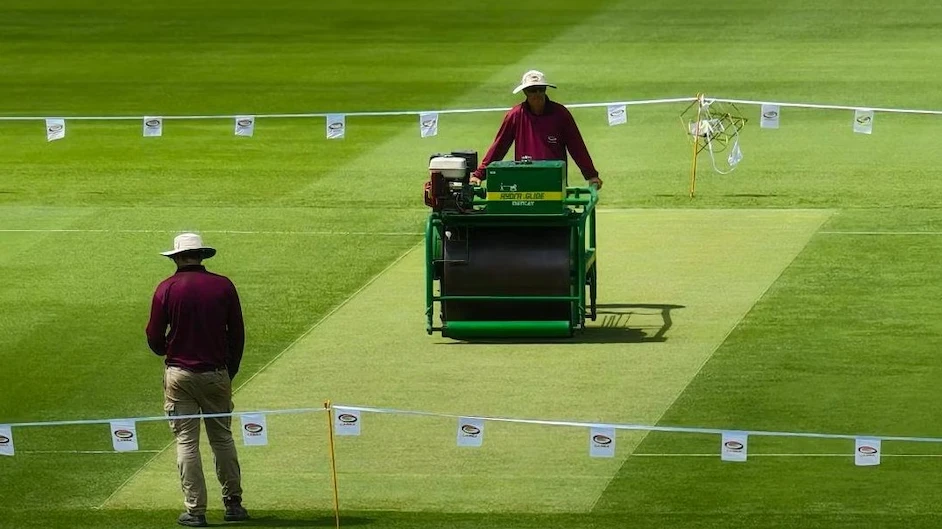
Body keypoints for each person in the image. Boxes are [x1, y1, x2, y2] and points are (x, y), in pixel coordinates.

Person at [145, 232, 249, 527]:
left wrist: (169, 350)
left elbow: (153, 336)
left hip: (180, 374)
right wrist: (231, 369)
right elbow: (237, 333)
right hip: (216, 373)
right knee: (222, 438)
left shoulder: (167, 288)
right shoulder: (223, 286)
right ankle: (234, 504)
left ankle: (196, 510)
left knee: (186, 442)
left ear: (177, 257)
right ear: (201, 256)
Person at [470, 69, 603, 189]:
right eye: (532, 90)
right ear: (525, 92)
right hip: (524, 182)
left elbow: (577, 146)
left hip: (555, 183)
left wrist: (591, 175)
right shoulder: (515, 115)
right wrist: (479, 175)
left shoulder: (561, 114)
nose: (538, 93)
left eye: (541, 89)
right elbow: (499, 147)